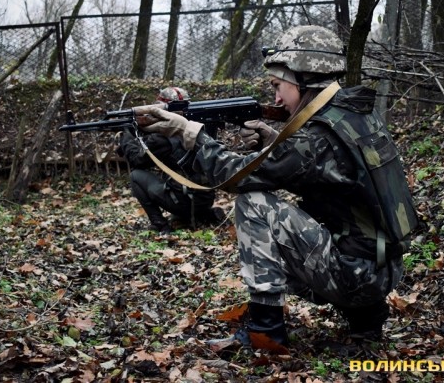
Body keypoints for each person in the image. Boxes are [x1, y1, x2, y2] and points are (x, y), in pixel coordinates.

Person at [133, 26, 419, 350]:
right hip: (383, 265)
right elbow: (323, 174)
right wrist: (274, 141)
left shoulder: (314, 138)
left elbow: (235, 176)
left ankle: (265, 331)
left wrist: (192, 135)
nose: (277, 98)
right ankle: (366, 317)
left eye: (278, 85)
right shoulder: (353, 112)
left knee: (253, 203)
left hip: (357, 275)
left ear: (303, 79)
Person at [118, 87, 224, 234]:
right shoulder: (200, 128)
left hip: (185, 201)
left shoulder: (162, 139)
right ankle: (203, 215)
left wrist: (126, 133)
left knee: (136, 176)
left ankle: (160, 225)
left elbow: (136, 160)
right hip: (205, 198)